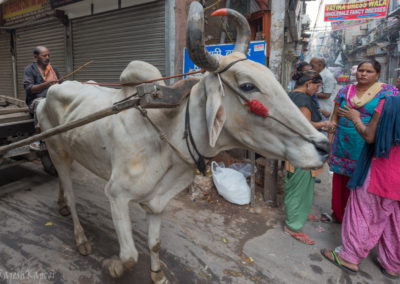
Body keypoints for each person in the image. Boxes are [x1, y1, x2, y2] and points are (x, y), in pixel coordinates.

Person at [321, 95, 400, 279]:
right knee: (395, 221)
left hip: (383, 171)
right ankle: (392, 264)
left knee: (363, 214)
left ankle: (349, 258)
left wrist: (355, 118)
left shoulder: (390, 102)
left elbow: (370, 136)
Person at [325, 60, 399, 223]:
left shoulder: (387, 92)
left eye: (369, 71)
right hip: (343, 144)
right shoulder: (345, 90)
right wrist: (329, 141)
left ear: (378, 74)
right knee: (341, 180)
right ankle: (339, 213)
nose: (363, 74)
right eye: (361, 70)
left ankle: (358, 220)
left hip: (367, 143)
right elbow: (334, 117)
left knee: (364, 183)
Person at [284, 70, 335, 245]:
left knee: (302, 185)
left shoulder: (293, 95)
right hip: (302, 150)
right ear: (308, 84)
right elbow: (305, 126)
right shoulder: (303, 99)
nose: (317, 90)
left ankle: (300, 214)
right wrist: (324, 124)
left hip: (298, 148)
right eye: (317, 86)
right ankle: (292, 226)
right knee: (299, 186)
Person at [23, 46, 60, 150]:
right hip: (35, 101)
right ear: (36, 56)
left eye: (48, 55)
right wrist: (46, 84)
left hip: (51, 98)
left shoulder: (53, 69)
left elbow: (59, 83)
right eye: (44, 55)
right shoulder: (29, 70)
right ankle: (37, 138)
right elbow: (29, 88)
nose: (47, 57)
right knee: (41, 102)